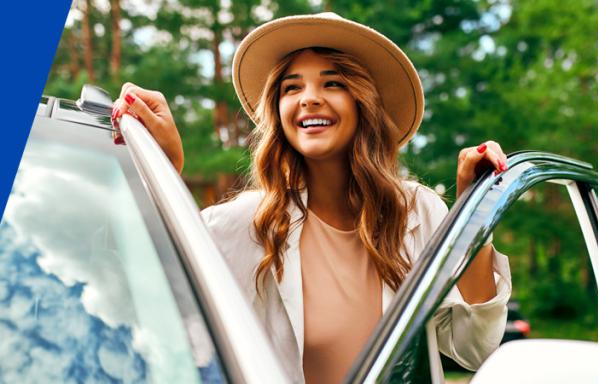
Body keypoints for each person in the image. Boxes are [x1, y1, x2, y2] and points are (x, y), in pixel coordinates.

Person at [112, 12, 511, 384]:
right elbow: (150, 300)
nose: (308, 98)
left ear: (363, 102)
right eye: (292, 87)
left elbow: (475, 347)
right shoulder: (245, 224)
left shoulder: (417, 212)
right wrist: (167, 168)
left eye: (332, 82)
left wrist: (475, 213)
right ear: (279, 110)